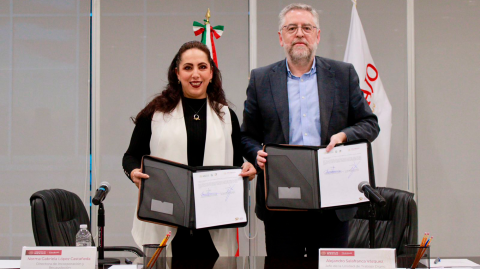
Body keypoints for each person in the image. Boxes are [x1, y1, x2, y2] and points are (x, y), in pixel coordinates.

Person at [241, 3, 380, 258]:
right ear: (281, 37)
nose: (299, 34)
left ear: (317, 35)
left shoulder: (342, 74)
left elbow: (370, 124)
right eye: (292, 28)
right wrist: (255, 154)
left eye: (307, 27)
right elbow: (246, 135)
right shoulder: (261, 79)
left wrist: (343, 135)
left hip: (332, 203)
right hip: (281, 203)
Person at [122, 41, 256, 258]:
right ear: (177, 73)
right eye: (188, 68)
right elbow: (130, 156)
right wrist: (134, 172)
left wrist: (246, 169)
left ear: (211, 73)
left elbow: (234, 163)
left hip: (212, 225)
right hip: (165, 220)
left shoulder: (226, 115)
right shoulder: (154, 112)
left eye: (202, 67)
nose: (196, 74)